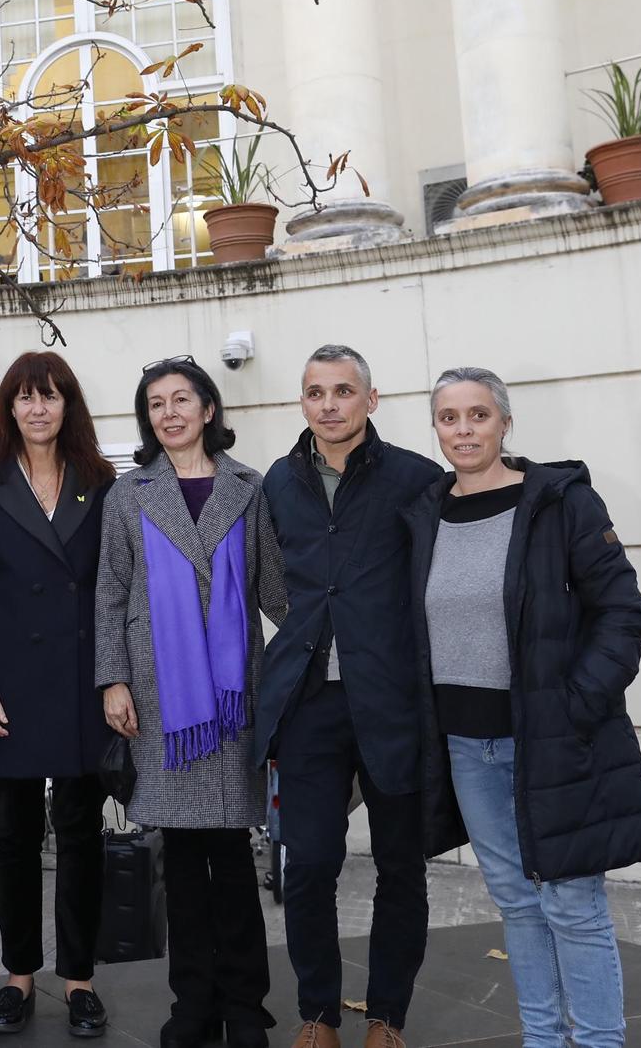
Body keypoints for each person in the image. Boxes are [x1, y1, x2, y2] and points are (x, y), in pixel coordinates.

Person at [407, 368, 641, 1048]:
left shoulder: (559, 502)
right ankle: (544, 1039)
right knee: (518, 904)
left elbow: (624, 612)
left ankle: (600, 1040)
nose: (464, 429)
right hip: (467, 744)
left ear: (505, 423)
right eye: (450, 417)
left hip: (551, 737)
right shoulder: (425, 512)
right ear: (436, 427)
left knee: (573, 902)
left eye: (479, 415)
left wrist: (575, 702)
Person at [94, 357, 286, 1048]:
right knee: (179, 859)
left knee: (233, 860)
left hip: (234, 702)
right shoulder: (130, 494)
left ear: (209, 409)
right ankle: (192, 1005)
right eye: (156, 402)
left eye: (183, 398)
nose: (169, 412)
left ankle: (245, 1005)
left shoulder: (249, 487)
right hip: (161, 701)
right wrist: (112, 679)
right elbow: (110, 593)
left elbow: (277, 594)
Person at [255, 347, 441, 1048]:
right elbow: (272, 581)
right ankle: (319, 1014)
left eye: (342, 391)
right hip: (310, 701)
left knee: (400, 865)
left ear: (371, 398)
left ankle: (387, 1017)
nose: (328, 404)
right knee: (308, 866)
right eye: (314, 392)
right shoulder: (279, 480)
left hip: (391, 699)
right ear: (302, 402)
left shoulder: (418, 480)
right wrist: (305, 623)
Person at [0, 350, 116, 1038]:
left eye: (50, 396)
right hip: (8, 685)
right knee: (14, 834)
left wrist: (116, 680)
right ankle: (18, 976)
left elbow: (115, 588)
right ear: (9, 407)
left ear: (68, 404)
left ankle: (78, 978)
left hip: (82, 684)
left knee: (81, 832)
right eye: (25, 397)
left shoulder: (101, 481)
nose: (38, 408)